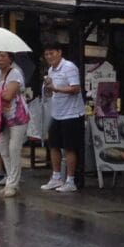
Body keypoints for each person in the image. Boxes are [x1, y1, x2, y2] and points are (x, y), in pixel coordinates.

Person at [41, 40, 83, 193]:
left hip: (71, 114)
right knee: (53, 145)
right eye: (46, 54)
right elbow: (52, 91)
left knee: (70, 148)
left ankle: (70, 180)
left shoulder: (69, 67)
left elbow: (75, 89)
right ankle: (56, 177)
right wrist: (49, 89)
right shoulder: (51, 70)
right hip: (57, 113)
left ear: (59, 52)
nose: (49, 56)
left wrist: (56, 88)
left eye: (52, 53)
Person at [0, 50, 26, 197]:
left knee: (14, 148)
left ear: (10, 59)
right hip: (2, 117)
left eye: (3, 56)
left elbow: (8, 96)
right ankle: (11, 179)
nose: (0, 59)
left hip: (17, 116)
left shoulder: (15, 74)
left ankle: (13, 184)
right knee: (3, 148)